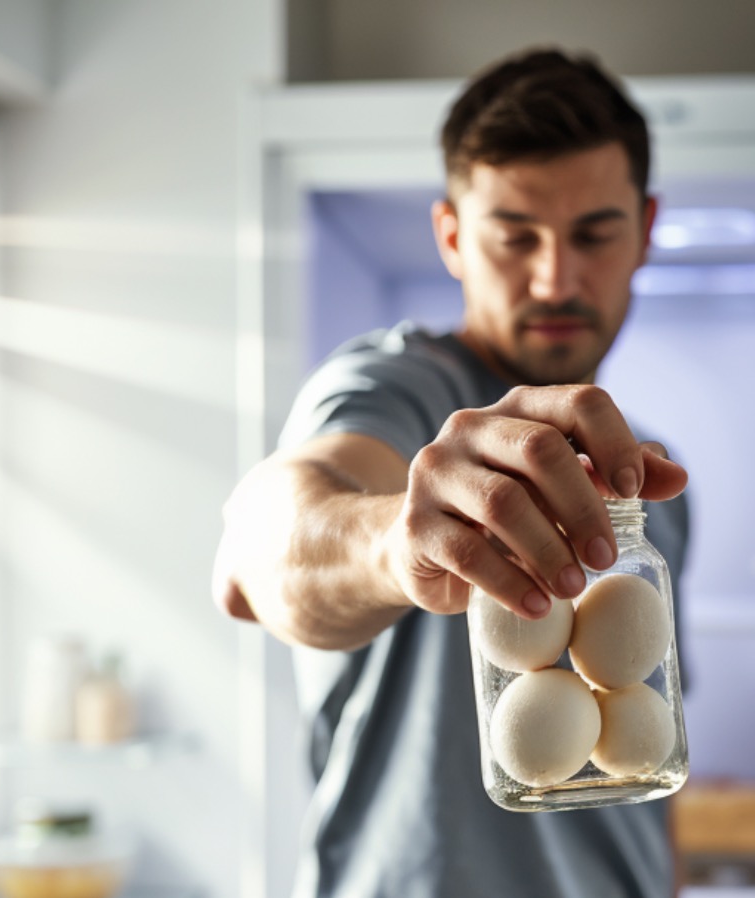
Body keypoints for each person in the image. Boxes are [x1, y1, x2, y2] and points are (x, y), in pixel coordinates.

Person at [211, 47, 691, 898]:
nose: (555, 277)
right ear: (452, 236)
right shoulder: (400, 388)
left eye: (594, 234)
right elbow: (261, 551)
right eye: (515, 235)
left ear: (646, 231)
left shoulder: (640, 480)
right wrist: (401, 541)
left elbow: (642, 727)